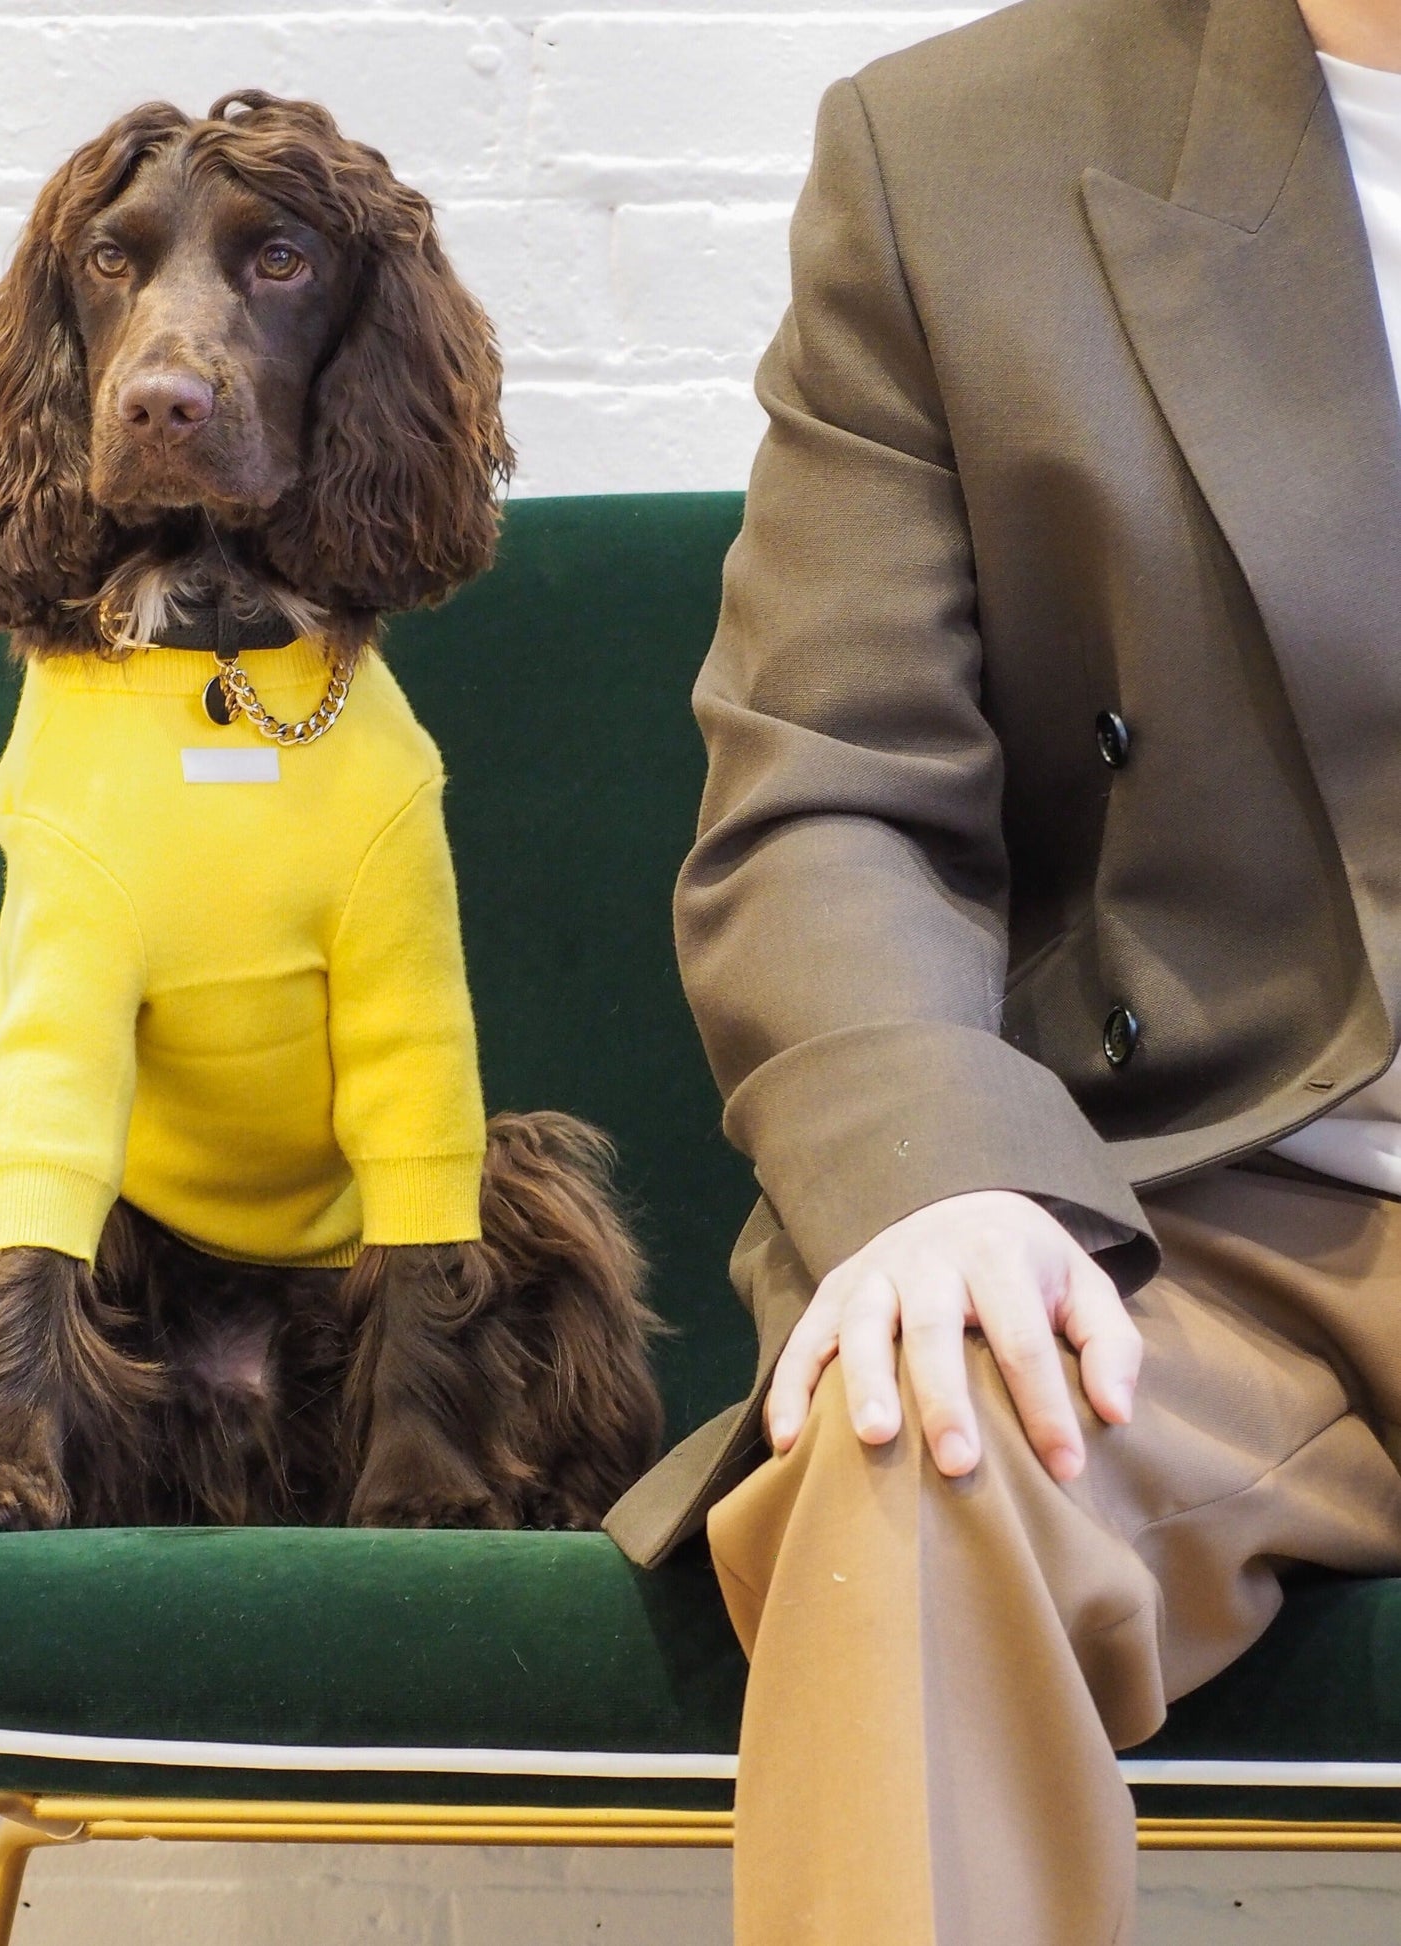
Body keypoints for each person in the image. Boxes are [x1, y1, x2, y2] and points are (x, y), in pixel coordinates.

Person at [599, 0, 1401, 1937]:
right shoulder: (958, 156)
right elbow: (832, 791)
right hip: (1223, 1209)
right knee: (921, 1452)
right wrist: (936, 1178)